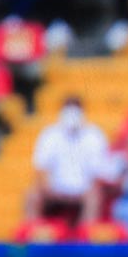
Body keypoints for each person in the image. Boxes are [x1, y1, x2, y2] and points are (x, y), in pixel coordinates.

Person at [24, 95, 108, 227]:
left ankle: (84, 238)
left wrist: (86, 189)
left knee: (94, 197)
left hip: (83, 190)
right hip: (54, 189)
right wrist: (48, 189)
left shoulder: (94, 135)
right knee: (32, 195)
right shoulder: (49, 134)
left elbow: (98, 172)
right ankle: (32, 236)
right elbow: (41, 168)